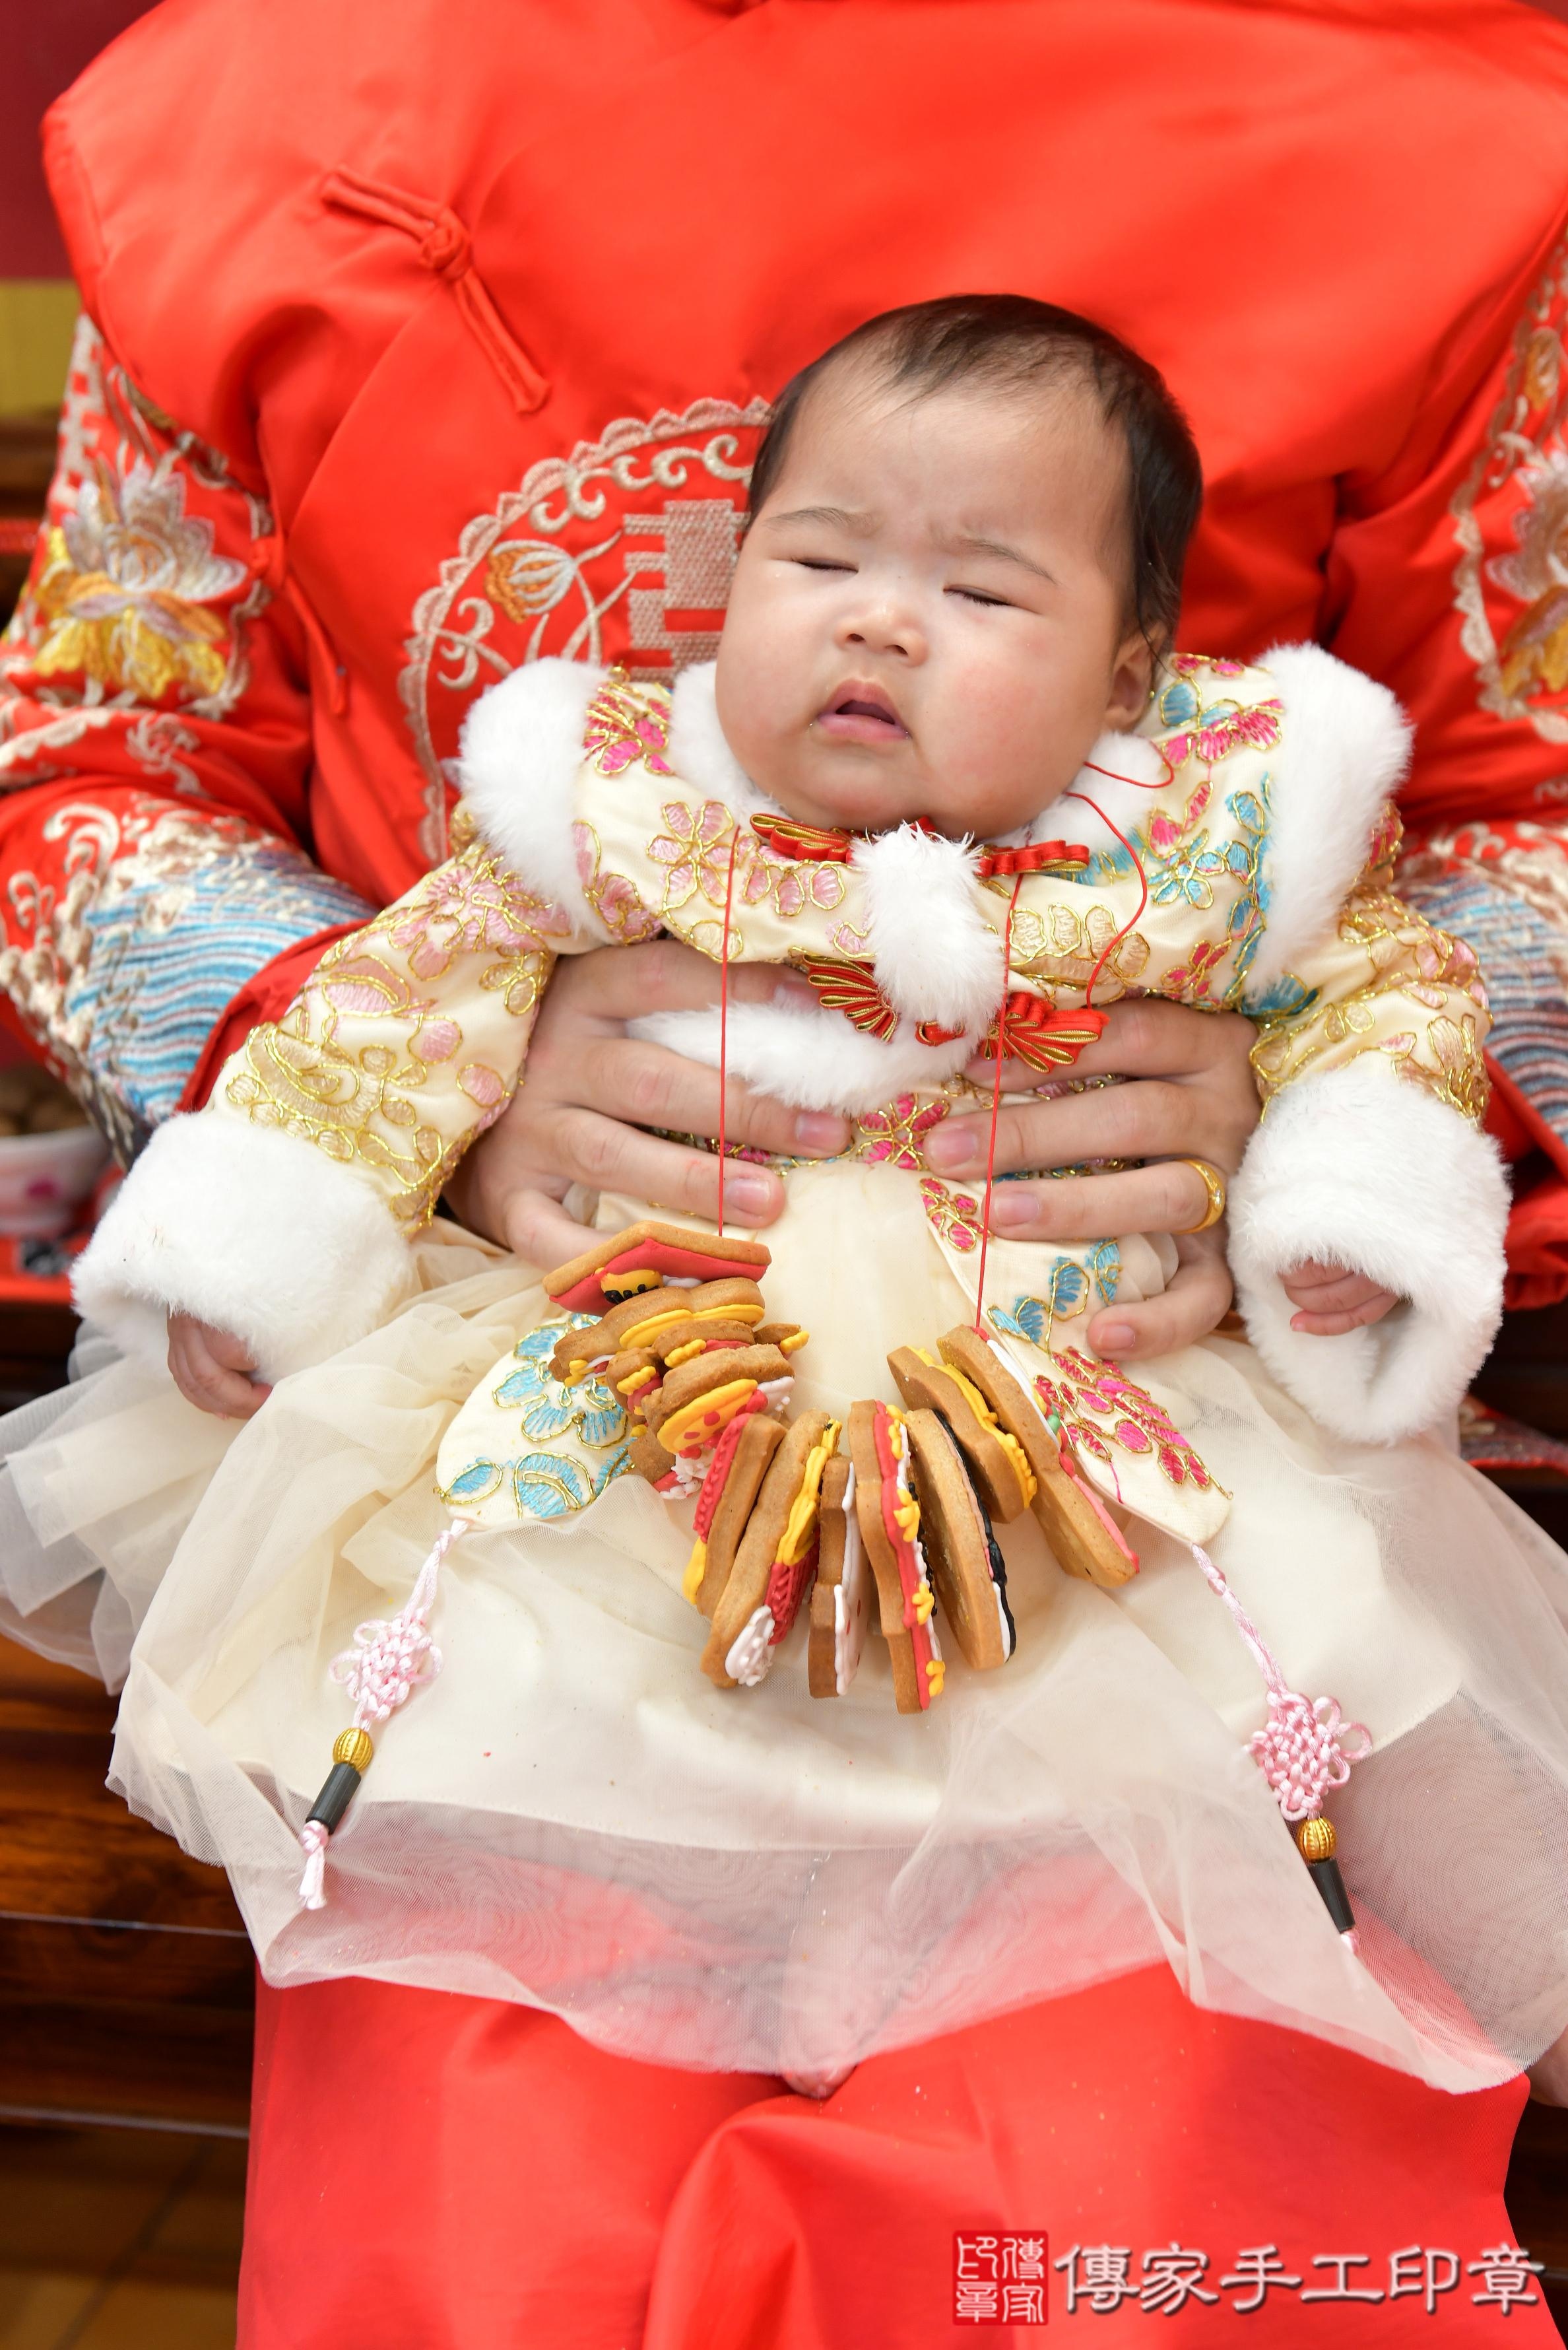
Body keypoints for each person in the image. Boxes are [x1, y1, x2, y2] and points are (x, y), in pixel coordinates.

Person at [3, 3, 1567, 2341]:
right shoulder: (253, 99)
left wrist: (1322, 1113)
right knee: (490, 2225)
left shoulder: (1447, 135)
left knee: (1125, 2204)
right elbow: (95, 752)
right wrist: (411, 1063)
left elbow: (1539, 796)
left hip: (1134, 1421)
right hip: (534, 1411)